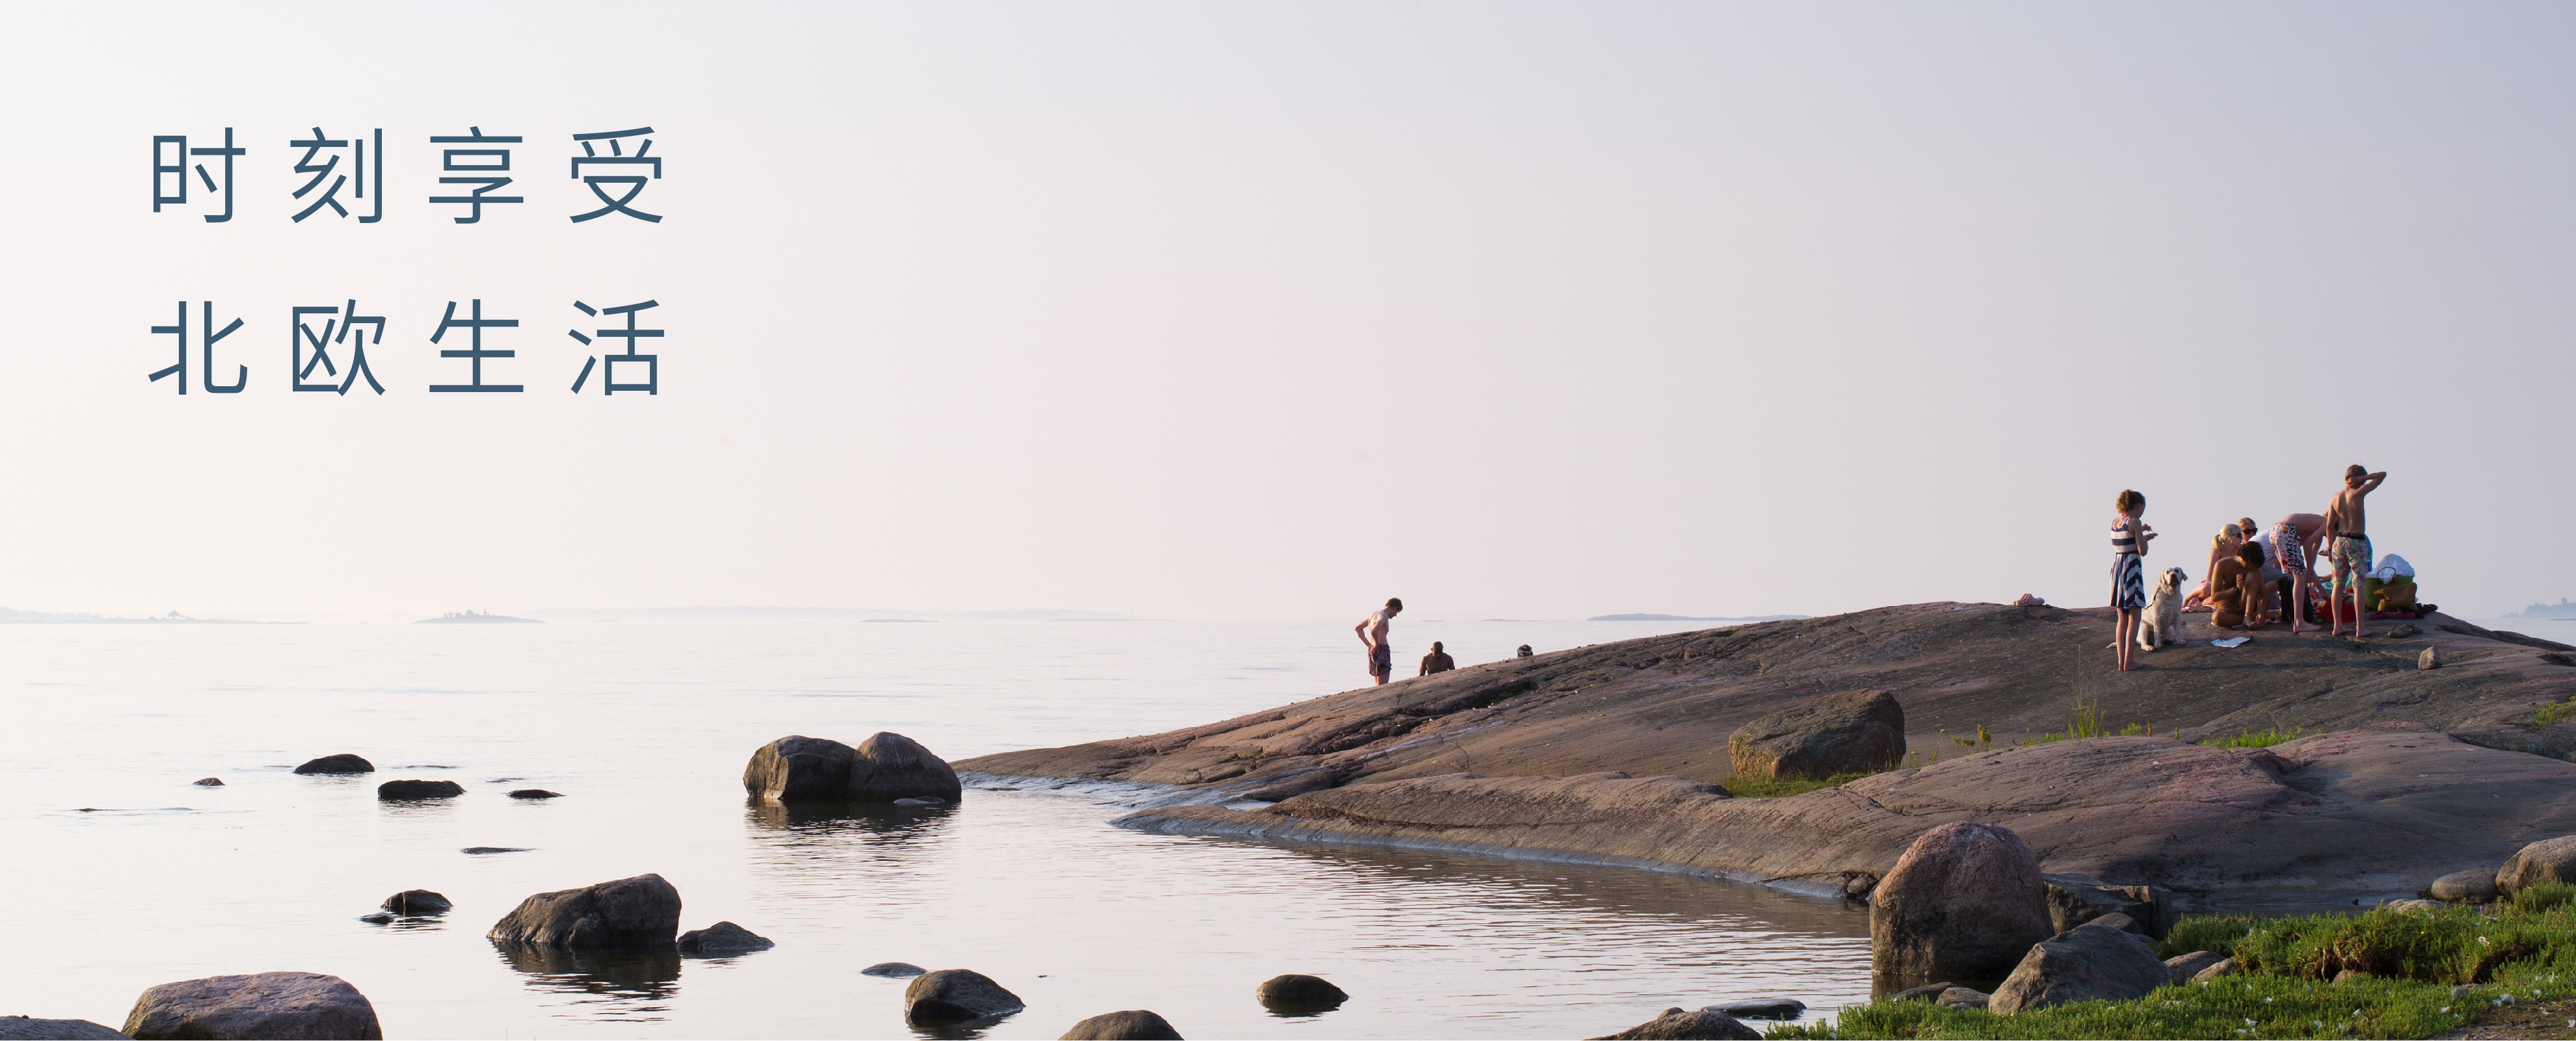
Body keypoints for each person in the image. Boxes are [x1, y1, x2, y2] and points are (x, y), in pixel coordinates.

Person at [2324, 465, 2389, 637]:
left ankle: (2337, 626)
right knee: (2358, 584)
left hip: (2339, 541)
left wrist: (2330, 548)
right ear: (2358, 480)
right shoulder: (2358, 493)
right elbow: (2382, 475)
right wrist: (2362, 480)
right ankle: (2361, 628)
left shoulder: (2335, 497)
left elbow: (2330, 526)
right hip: (2356, 541)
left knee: (2338, 583)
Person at [2109, 490, 2156, 672]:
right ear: (2138, 505)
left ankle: (2122, 662)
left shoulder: (2115, 522)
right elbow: (2142, 550)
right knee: (2135, 616)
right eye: (2143, 507)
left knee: (2122, 619)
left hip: (2118, 570)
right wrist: (2148, 538)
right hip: (2132, 570)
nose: (2143, 512)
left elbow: (2124, 541)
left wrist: (2141, 533)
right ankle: (2129, 662)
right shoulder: (2135, 522)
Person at [2260, 512, 2328, 633]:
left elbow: (2309, 550)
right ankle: (2299, 622)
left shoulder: (2316, 528)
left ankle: (2298, 619)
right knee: (2299, 578)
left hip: (2277, 531)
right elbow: (2308, 545)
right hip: (2285, 530)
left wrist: (2311, 571)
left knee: (2297, 575)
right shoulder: (2326, 523)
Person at [2184, 522, 2245, 611]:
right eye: (2239, 535)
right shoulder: (2217, 551)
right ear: (2228, 537)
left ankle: (2197, 605)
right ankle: (2189, 598)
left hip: (2225, 586)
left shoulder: (2239, 551)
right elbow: (2209, 577)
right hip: (2211, 585)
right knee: (2208, 587)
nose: (2242, 538)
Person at [2209, 542, 2268, 629]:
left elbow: (2264, 595)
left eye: (2254, 566)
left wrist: (2263, 613)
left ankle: (2248, 616)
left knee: (2253, 575)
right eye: (2250, 565)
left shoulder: (2255, 569)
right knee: (2217, 618)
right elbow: (2214, 597)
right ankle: (2248, 618)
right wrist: (2236, 589)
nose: (2251, 568)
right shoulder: (2222, 565)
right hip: (2227, 606)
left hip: (2246, 605)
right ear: (2242, 557)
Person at [1354, 598, 1402, 685]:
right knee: (1382, 686)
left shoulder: (1373, 615)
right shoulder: (1384, 616)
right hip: (1381, 649)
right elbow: (1374, 631)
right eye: (1397, 612)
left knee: (1377, 684)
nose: (1395, 615)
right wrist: (1377, 645)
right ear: (1395, 608)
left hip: (1372, 650)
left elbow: (1358, 628)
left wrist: (1368, 644)